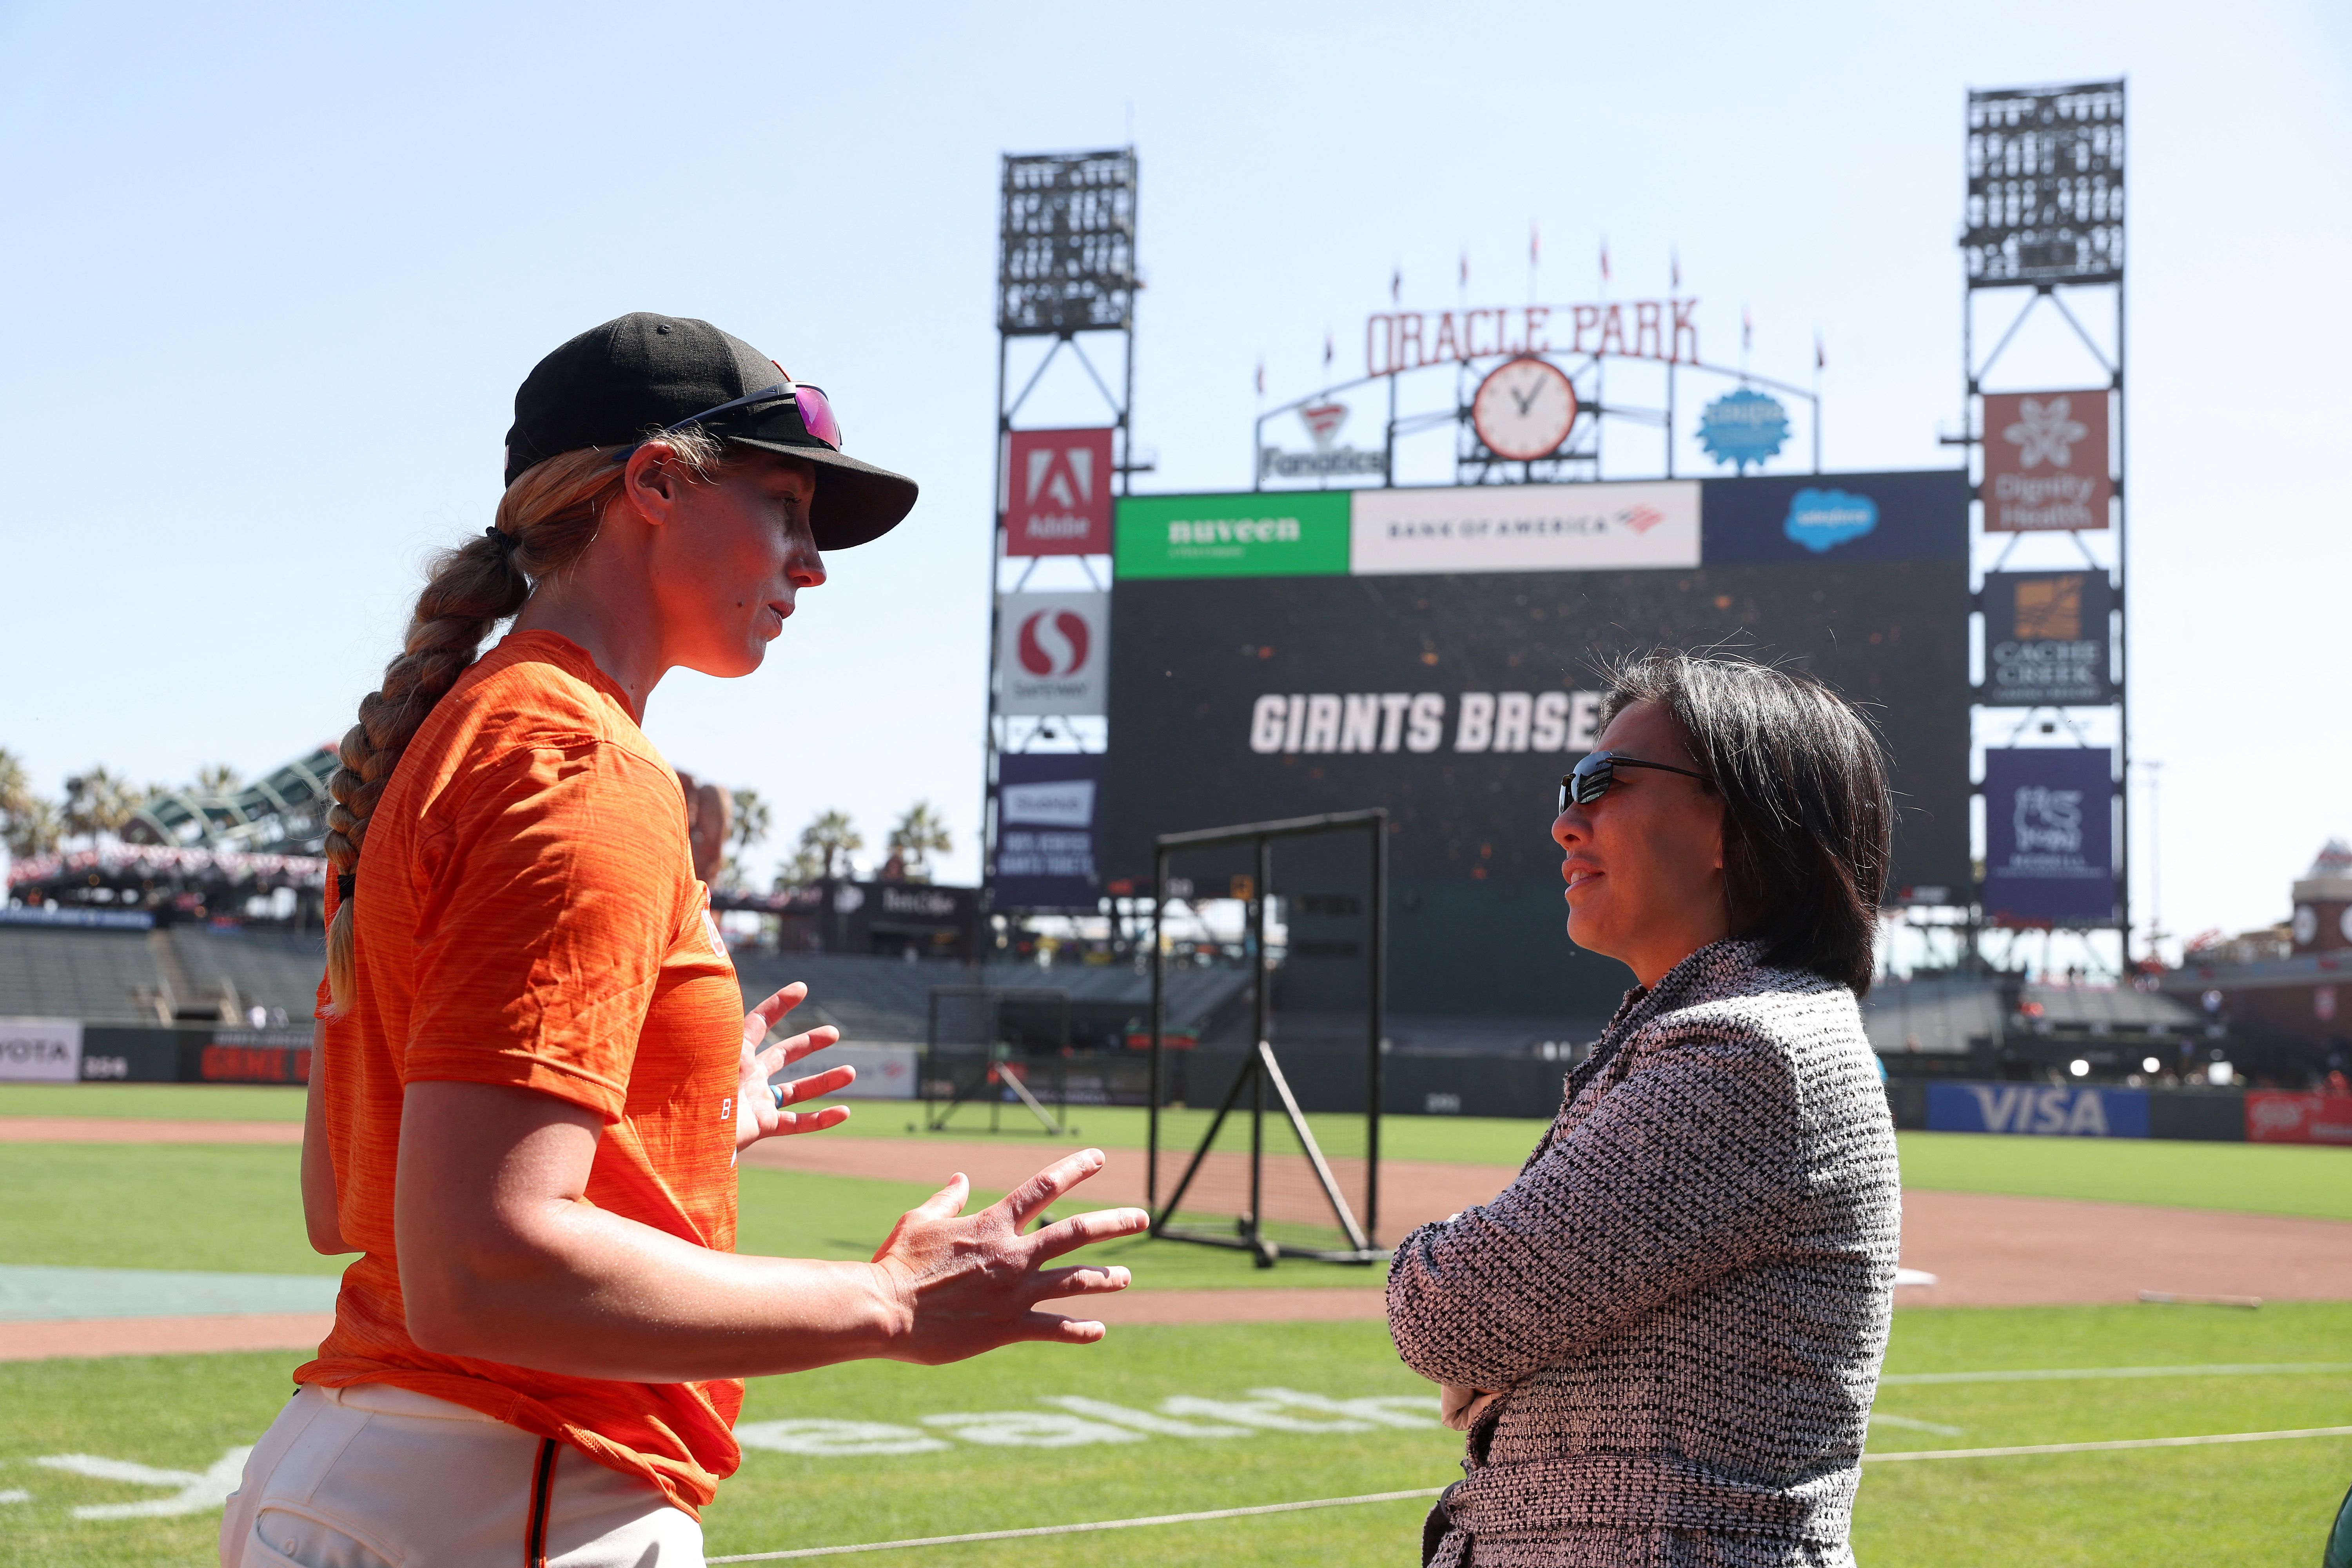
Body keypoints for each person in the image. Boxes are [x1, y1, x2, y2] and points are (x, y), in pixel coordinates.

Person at [221, 314, 1147, 1568]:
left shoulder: (468, 734)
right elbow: (480, 1267)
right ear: (656, 483)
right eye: (786, 507)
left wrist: (672, 1129)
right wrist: (888, 1302)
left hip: (392, 1475)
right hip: (515, 1489)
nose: (810, 565)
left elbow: (352, 1203)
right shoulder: (579, 763)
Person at [1387, 651, 1902, 1568]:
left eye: (1603, 782)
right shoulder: (1710, 1030)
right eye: (1568, 785)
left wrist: (1479, 1324)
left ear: (1738, 824)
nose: (1564, 821)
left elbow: (1448, 1311)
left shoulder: (1748, 1052)